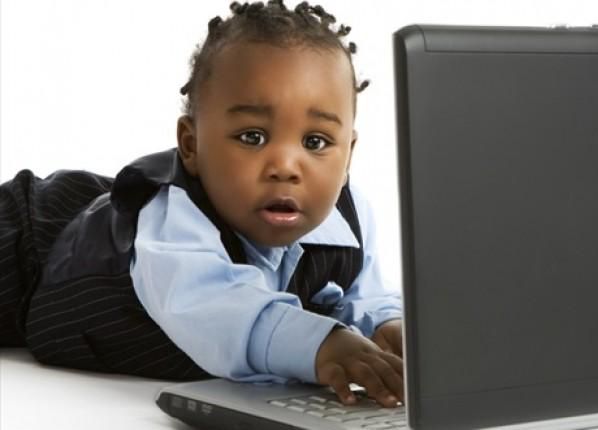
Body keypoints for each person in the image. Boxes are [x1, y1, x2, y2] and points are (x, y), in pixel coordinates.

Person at [0, 0, 404, 408]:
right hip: (30, 247)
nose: (285, 166)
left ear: (348, 153)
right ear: (191, 145)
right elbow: (218, 308)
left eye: (315, 142)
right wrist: (323, 345)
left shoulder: (349, 221)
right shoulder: (178, 220)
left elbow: (365, 295)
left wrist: (392, 327)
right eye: (253, 137)